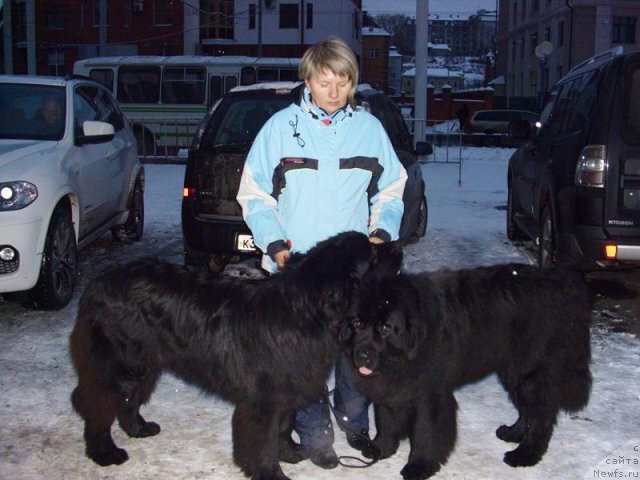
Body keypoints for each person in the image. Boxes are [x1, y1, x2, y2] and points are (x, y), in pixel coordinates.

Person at [236, 37, 408, 469]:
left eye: (342, 81)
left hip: (353, 270)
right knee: (304, 358)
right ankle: (314, 434)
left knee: (357, 352)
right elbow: (255, 196)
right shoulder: (280, 128)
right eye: (323, 80)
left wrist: (381, 232)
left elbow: (391, 189)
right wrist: (275, 246)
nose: (332, 91)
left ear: (352, 83)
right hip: (299, 271)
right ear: (308, 80)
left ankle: (354, 422)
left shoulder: (369, 130)